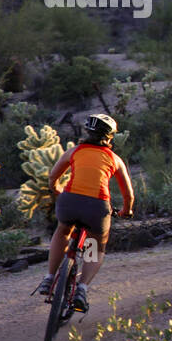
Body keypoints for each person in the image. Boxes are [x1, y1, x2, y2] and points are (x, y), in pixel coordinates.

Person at [36, 114, 134, 313]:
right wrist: (126, 211)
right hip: (97, 208)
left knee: (63, 231)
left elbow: (53, 176)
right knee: (94, 246)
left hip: (69, 201)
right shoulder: (115, 159)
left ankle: (48, 278)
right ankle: (81, 288)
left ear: (88, 132)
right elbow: (128, 195)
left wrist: (56, 190)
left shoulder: (74, 151)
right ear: (110, 137)